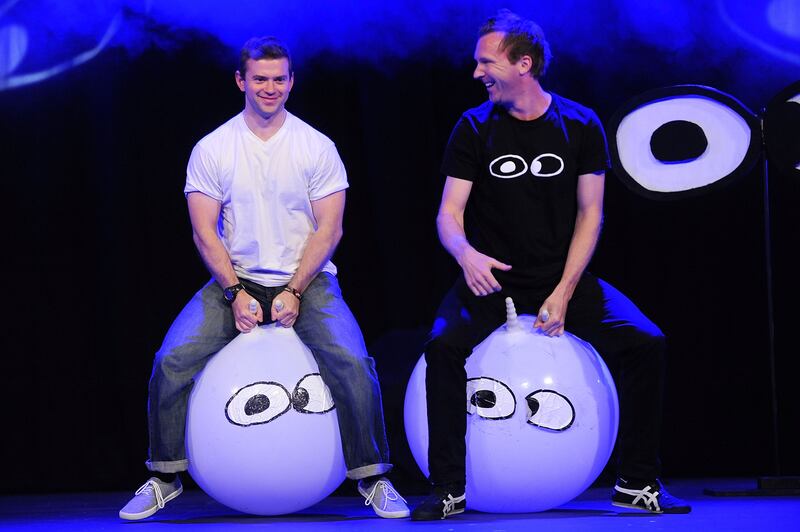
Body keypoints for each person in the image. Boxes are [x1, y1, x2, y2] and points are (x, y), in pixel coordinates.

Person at [411, 10, 691, 520]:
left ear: (525, 63)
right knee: (441, 348)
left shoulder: (581, 123)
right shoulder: (473, 127)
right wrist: (465, 253)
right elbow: (448, 214)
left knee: (647, 342)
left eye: (485, 62)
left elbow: (591, 214)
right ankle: (449, 488)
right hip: (491, 279)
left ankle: (636, 481)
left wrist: (564, 290)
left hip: (563, 279)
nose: (476, 73)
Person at [119, 36, 409, 520]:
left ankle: (373, 478)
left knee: (354, 362)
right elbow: (204, 233)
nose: (270, 88)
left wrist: (295, 288)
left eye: (279, 79)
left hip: (309, 279)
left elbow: (330, 229)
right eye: (260, 79)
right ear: (241, 81)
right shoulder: (214, 148)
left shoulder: (316, 146)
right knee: (171, 360)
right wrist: (234, 292)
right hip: (235, 278)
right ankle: (164, 476)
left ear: (291, 81)